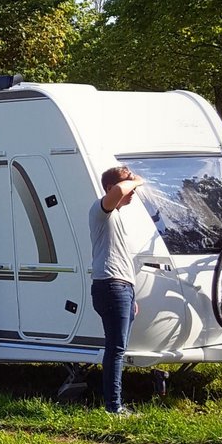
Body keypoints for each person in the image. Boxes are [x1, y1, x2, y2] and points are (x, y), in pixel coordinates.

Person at [89, 165, 145, 415]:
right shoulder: (101, 210)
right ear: (110, 188)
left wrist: (131, 294)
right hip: (111, 287)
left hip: (121, 288)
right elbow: (123, 188)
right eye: (127, 184)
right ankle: (114, 407)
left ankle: (115, 404)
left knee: (117, 348)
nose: (133, 190)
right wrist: (136, 179)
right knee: (116, 350)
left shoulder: (117, 215)